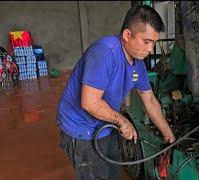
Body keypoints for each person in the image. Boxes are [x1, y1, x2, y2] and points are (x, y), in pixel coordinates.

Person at [56, 4, 176, 180]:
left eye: (154, 43)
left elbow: (149, 99)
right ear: (127, 35)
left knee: (112, 173)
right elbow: (89, 103)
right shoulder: (104, 53)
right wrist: (123, 122)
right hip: (80, 127)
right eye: (146, 41)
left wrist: (167, 132)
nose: (151, 49)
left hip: (105, 124)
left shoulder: (138, 63)